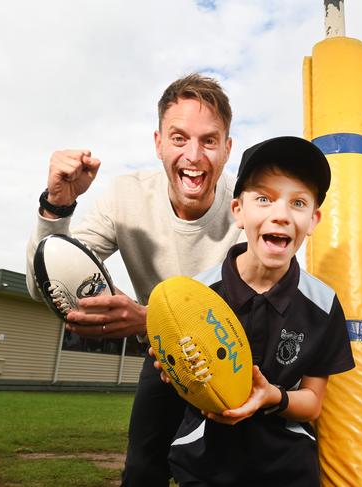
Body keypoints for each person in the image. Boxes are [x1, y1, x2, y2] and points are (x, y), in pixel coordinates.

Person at [25, 74, 242, 486]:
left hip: (230, 358)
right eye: (179, 138)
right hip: (161, 358)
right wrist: (56, 205)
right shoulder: (124, 197)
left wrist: (147, 319)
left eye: (209, 141)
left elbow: (251, 309)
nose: (193, 155)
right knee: (143, 470)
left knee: (226, 473)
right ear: (158, 142)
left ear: (227, 149)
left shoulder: (246, 206)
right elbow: (43, 284)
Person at [163, 136, 355, 486]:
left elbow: (312, 403)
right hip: (205, 465)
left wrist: (271, 397)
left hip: (287, 469)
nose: (280, 215)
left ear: (313, 220)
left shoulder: (323, 304)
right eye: (264, 199)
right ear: (239, 211)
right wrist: (179, 373)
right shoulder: (195, 297)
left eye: (297, 202)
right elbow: (181, 378)